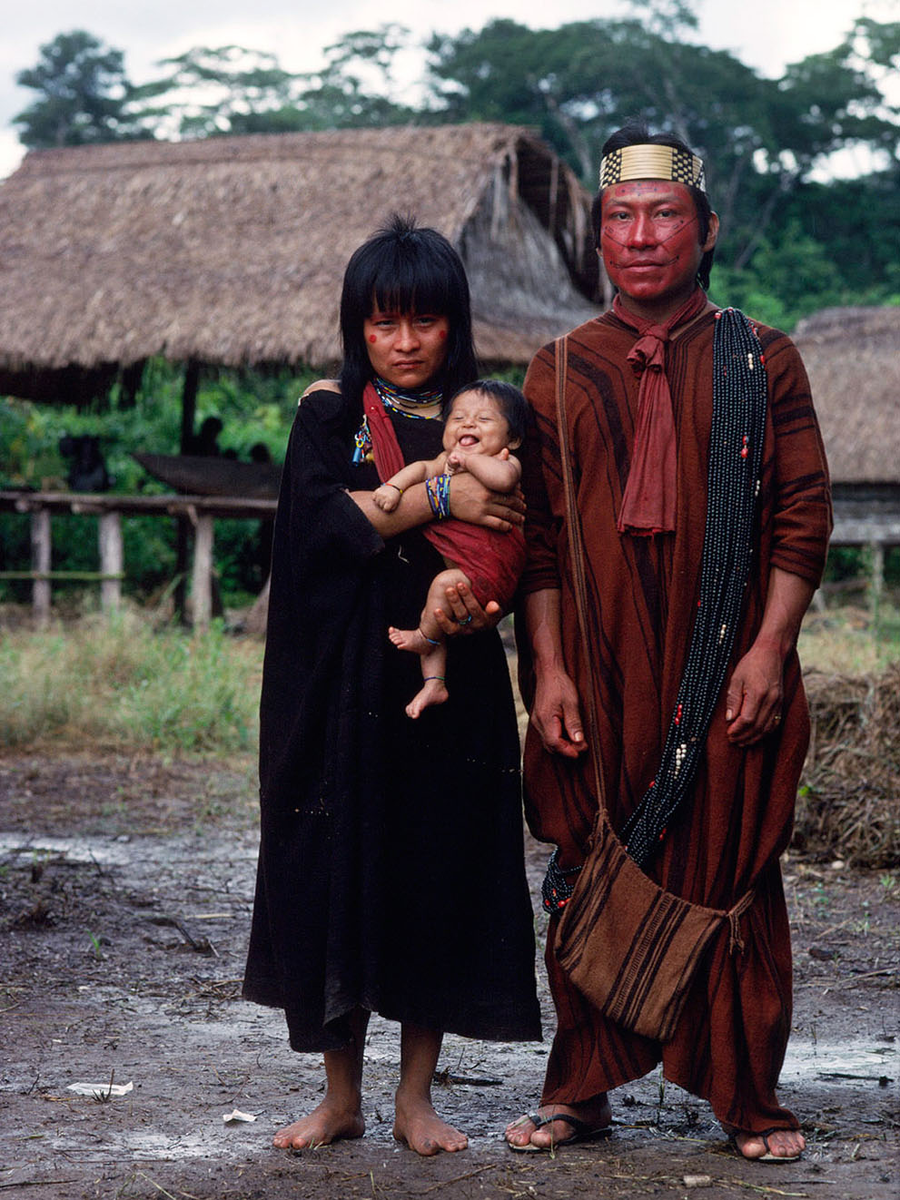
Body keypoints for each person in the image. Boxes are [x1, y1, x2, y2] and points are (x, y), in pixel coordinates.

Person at [505, 124, 831, 1160]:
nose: (642, 236)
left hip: (726, 667)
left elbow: (801, 518)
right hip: (596, 675)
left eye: (664, 215)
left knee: (732, 865)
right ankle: (579, 1088)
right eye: (621, 217)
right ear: (598, 235)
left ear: (706, 229)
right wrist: (548, 670)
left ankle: (750, 1099)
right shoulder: (554, 371)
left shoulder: (762, 358)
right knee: (589, 856)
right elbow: (540, 543)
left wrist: (770, 649)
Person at [243, 214, 541, 1157]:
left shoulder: (482, 418)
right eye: (383, 324)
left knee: (434, 872)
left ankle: (416, 1099)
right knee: (333, 872)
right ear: (356, 326)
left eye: (423, 322)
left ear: (454, 322)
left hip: (451, 685)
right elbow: (321, 535)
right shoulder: (327, 413)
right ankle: (341, 1097)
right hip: (337, 681)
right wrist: (442, 497)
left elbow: (517, 523)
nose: (404, 343)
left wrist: (410, 504)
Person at [374, 379, 528, 717]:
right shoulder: (444, 461)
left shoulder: (505, 461)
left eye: (483, 420)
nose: (468, 423)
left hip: (492, 576)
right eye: (457, 418)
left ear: (512, 439)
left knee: (441, 592)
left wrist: (468, 463)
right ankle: (434, 682)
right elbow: (419, 470)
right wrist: (394, 487)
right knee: (440, 602)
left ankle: (423, 640)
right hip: (464, 574)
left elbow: (500, 480)